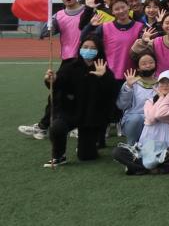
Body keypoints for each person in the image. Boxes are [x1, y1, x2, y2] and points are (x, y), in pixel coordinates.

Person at [20, 0, 87, 141]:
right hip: (68, 60)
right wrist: (47, 21)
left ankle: (78, 126)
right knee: (56, 94)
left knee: (82, 94)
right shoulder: (59, 16)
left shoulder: (88, 11)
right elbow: (43, 33)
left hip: (86, 59)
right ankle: (43, 126)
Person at [44, 36, 118, 167]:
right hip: (70, 112)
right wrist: (52, 80)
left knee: (87, 156)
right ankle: (59, 156)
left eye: (93, 48)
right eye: (85, 47)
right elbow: (58, 85)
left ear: (99, 51)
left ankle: (89, 144)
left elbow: (112, 92)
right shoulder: (70, 66)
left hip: (91, 117)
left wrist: (103, 77)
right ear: (80, 48)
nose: (88, 50)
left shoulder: (103, 68)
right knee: (57, 127)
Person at [112, 71, 169, 175]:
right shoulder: (149, 101)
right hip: (145, 147)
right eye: (162, 82)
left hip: (167, 147)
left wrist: (168, 97)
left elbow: (159, 115)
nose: (165, 85)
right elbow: (151, 119)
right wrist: (161, 98)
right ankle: (158, 168)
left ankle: (138, 167)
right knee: (117, 152)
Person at [82, 0, 145, 81]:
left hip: (132, 76)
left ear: (128, 7)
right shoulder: (105, 27)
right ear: (112, 12)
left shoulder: (140, 27)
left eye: (123, 7)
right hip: (110, 75)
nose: (121, 11)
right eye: (117, 9)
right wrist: (90, 25)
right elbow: (83, 38)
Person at [130, 13, 169, 77]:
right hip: (157, 80)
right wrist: (143, 42)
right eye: (167, 23)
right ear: (162, 26)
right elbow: (133, 55)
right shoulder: (156, 42)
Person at [116, 54, 160, 145]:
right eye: (144, 64)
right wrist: (128, 87)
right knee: (136, 119)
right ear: (138, 68)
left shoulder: (160, 83)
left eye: (151, 62)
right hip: (133, 119)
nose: (148, 65)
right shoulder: (132, 82)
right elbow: (121, 105)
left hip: (154, 119)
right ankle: (131, 146)